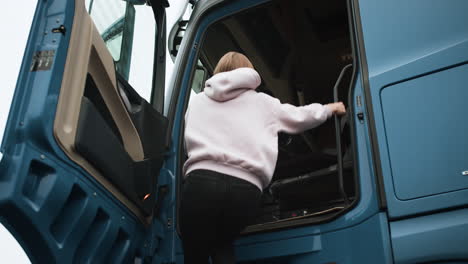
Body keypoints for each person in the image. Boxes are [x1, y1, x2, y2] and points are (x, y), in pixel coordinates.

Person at [180, 51, 346, 264]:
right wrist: (328, 109)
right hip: (245, 191)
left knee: (195, 254)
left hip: (201, 185)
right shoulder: (264, 103)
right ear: (249, 71)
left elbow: (186, 143)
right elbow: (299, 116)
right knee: (223, 247)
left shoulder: (198, 102)